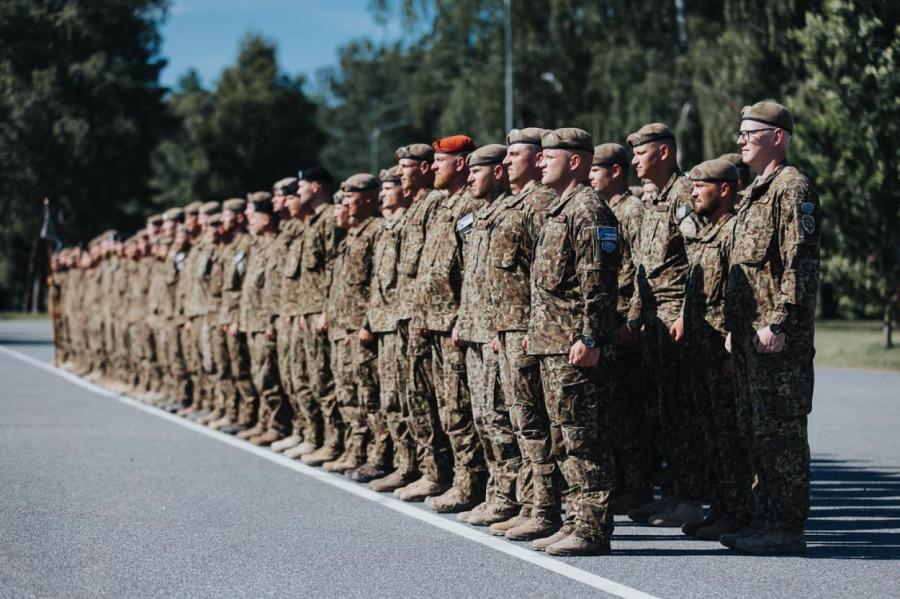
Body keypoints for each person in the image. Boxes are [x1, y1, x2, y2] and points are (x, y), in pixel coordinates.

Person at [722, 101, 820, 555]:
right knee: (755, 431)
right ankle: (764, 520)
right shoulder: (755, 192)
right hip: (749, 337)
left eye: (750, 132)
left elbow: (799, 262)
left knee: (780, 434)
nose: (740, 139)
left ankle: (785, 525)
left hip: (776, 340)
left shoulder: (791, 187)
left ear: (777, 136)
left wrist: (779, 321)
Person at [527, 127, 620, 556]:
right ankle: (574, 521)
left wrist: (591, 336)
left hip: (574, 346)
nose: (541, 161)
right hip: (552, 344)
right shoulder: (559, 210)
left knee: (583, 438)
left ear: (576, 161)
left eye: (549, 155)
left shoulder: (587, 210)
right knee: (563, 440)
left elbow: (598, 281)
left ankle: (593, 529)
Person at [625, 123, 707, 528]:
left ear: (662, 152)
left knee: (681, 412)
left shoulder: (683, 194)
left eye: (641, 153)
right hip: (653, 321)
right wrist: (637, 317)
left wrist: (685, 315)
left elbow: (700, 261)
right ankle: (672, 494)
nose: (635, 161)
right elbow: (645, 266)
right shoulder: (653, 199)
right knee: (661, 414)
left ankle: (689, 498)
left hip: (675, 319)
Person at [675, 158, 753, 541]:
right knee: (712, 436)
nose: (692, 191)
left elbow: (739, 296)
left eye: (700, 185)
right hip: (701, 353)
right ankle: (722, 508)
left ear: (724, 189)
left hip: (721, 354)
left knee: (729, 437)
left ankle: (738, 512)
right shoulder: (709, 234)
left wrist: (730, 351)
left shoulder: (734, 232)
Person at [489, 128, 560, 541]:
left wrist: (533, 329)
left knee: (536, 425)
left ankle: (545, 508)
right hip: (510, 330)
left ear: (537, 160)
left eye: (516, 154)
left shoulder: (541, 205)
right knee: (522, 423)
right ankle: (532, 504)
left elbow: (543, 277)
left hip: (532, 332)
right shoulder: (516, 204)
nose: (507, 161)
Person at [414, 134, 487, 514]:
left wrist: (462, 315)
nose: (435, 166)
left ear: (460, 162)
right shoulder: (445, 206)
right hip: (437, 321)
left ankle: (470, 483)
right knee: (448, 407)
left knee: (461, 409)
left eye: (440, 161)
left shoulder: (471, 206)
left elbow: (472, 268)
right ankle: (463, 479)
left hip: (456, 324)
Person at [454, 143, 521, 526]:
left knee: (500, 417)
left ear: (496, 172)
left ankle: (510, 496)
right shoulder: (482, 215)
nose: (469, 177)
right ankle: (498, 492)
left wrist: (500, 328)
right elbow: (474, 278)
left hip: (496, 332)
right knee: (482, 417)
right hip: (476, 330)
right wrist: (464, 321)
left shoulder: (510, 212)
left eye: (476, 171)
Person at [589, 142, 652, 514]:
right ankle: (622, 485)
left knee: (629, 412)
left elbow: (642, 269)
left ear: (615, 171)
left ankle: (637, 487)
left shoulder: (630, 211)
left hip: (624, 319)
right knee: (611, 410)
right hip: (608, 319)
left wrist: (633, 318)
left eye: (596, 169)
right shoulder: (604, 210)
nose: (590, 175)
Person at [392, 144, 454, 501]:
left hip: (431, 318)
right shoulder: (417, 208)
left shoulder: (433, 206)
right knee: (413, 396)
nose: (401, 173)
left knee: (434, 400)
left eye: (407, 166)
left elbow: (440, 269)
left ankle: (440, 473)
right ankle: (429, 470)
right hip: (412, 314)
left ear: (426, 168)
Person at [320, 174, 384, 474]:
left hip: (360, 329)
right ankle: (355, 450)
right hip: (343, 328)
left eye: (350, 197)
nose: (344, 203)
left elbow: (377, 283)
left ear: (369, 197)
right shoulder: (352, 237)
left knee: (367, 394)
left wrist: (368, 323)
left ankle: (377, 457)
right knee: (348, 392)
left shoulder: (375, 231)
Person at [365, 167, 419, 490]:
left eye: (390, 188)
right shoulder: (387, 229)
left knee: (405, 397)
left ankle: (411, 465)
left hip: (401, 323)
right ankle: (403, 463)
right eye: (382, 189)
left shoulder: (404, 225)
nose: (384, 194)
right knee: (390, 398)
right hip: (385, 322)